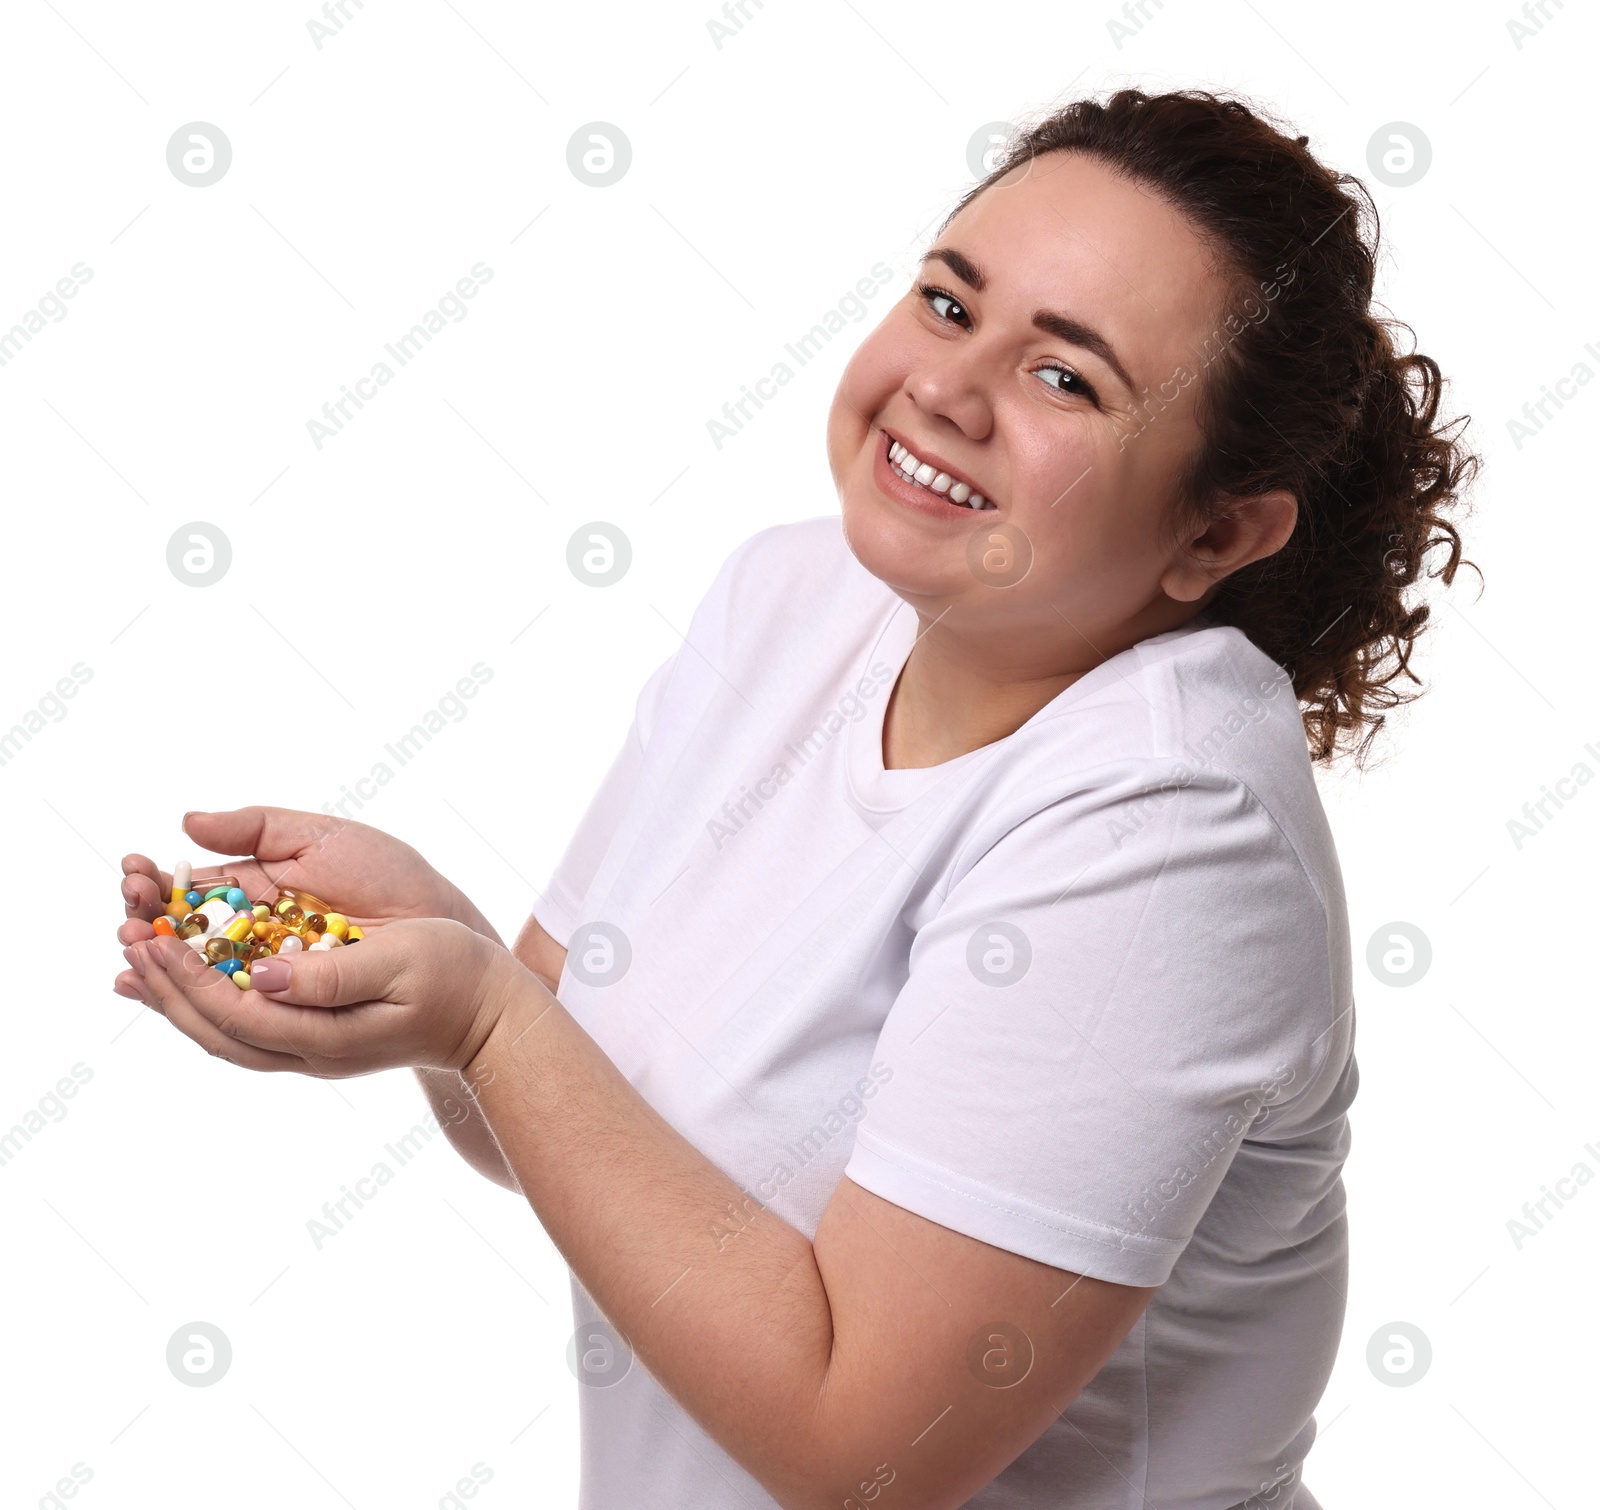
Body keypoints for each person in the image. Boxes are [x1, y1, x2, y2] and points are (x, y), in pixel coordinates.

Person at [116, 89, 1476, 1510]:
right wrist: (419, 959)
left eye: (1065, 377)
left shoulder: (1174, 823)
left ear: (1216, 530)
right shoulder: (794, 601)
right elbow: (554, 1120)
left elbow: (860, 1454)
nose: (947, 390)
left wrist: (482, 1013)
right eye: (950, 304)